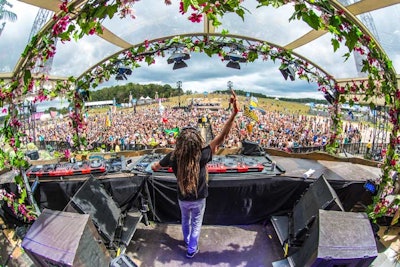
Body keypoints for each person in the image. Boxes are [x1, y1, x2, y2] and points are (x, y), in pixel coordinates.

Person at [151, 89, 240, 258]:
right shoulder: (203, 154)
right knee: (196, 222)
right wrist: (234, 113)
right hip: (199, 198)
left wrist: (157, 165)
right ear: (197, 141)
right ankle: (191, 249)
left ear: (180, 143)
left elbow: (155, 167)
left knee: (185, 220)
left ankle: (187, 241)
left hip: (182, 197)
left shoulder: (173, 156)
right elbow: (222, 136)